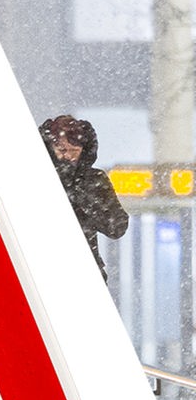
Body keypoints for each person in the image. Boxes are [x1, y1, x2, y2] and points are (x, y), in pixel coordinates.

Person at [39, 114, 129, 280]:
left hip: (86, 271)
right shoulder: (38, 178)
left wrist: (84, 197)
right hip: (43, 267)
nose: (68, 156)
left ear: (84, 150)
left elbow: (117, 227)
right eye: (62, 150)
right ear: (49, 148)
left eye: (74, 151)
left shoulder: (95, 179)